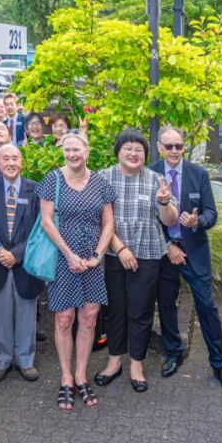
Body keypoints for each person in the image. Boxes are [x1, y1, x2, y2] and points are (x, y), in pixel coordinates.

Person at [152, 127, 222, 393]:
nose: (174, 151)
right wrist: (168, 245)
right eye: (169, 146)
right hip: (166, 252)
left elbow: (211, 213)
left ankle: (219, 364)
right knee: (166, 303)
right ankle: (173, 352)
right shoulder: (150, 174)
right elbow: (147, 218)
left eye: (178, 146)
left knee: (206, 306)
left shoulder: (197, 173)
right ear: (159, 147)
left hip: (195, 250)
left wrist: (197, 221)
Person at [94, 129, 178, 393]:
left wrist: (164, 203)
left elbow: (170, 220)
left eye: (139, 150)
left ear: (146, 154)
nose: (133, 153)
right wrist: (120, 249)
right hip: (113, 254)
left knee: (141, 310)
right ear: (118, 152)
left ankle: (137, 365)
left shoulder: (155, 179)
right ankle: (114, 361)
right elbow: (99, 221)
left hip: (148, 253)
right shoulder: (103, 178)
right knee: (115, 309)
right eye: (128, 149)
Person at [37, 133, 115, 411]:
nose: (72, 154)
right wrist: (69, 255)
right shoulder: (53, 180)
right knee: (64, 318)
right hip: (62, 258)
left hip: (93, 260)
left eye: (77, 149)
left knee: (90, 317)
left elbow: (108, 224)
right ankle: (65, 377)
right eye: (67, 150)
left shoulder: (101, 183)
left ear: (87, 151)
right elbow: (46, 222)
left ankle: (81, 375)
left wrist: (97, 256)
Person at [0, 145, 43, 382]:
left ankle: (25, 360)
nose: (11, 163)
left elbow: (40, 227)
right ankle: (1, 360)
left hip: (26, 263)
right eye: (5, 159)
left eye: (15, 158)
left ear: (21, 162)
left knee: (26, 312)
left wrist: (16, 254)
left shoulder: (35, 189)